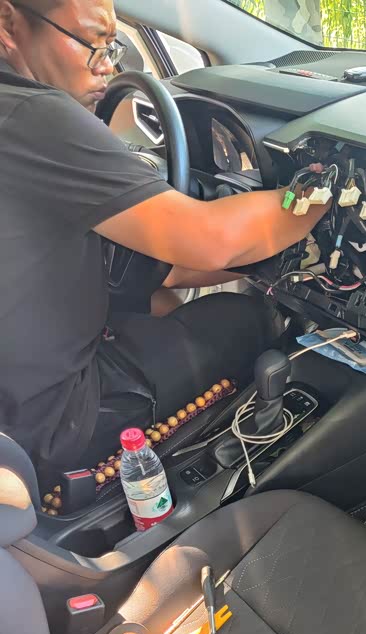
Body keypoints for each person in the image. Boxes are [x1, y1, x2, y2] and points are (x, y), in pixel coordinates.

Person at [0, 0, 329, 481]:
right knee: (246, 319)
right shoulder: (32, 113)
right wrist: (326, 194)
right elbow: (209, 238)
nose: (108, 67)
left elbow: (160, 266)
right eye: (92, 44)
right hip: (51, 424)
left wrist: (275, 260)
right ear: (8, 23)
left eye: (112, 47)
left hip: (15, 399)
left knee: (157, 298)